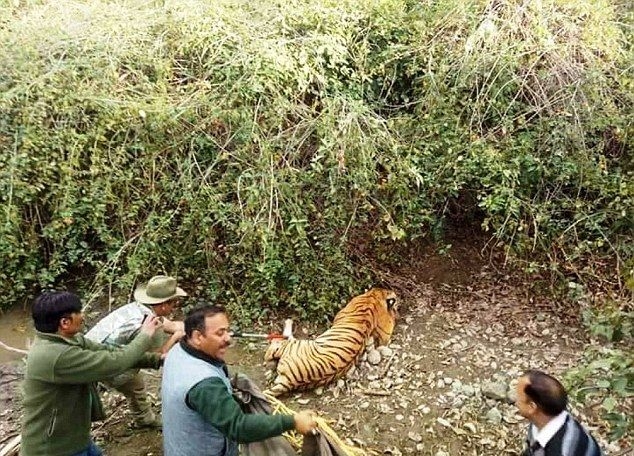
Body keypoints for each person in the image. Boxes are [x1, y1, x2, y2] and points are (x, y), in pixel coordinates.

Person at [161, 304, 318, 456]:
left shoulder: (177, 350)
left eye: (227, 331)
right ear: (197, 336)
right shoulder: (205, 385)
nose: (228, 339)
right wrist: (293, 421)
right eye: (220, 333)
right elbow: (238, 427)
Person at [21, 291, 163, 456]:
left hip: (75, 438)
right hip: (53, 449)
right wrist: (145, 336)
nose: (83, 316)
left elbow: (111, 352)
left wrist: (157, 360)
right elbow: (115, 364)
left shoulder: (70, 339)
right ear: (65, 322)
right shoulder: (56, 356)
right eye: (79, 313)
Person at [85, 275, 187, 429]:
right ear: (163, 305)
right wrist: (175, 337)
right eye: (173, 302)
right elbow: (158, 356)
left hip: (91, 351)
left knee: (135, 385)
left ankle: (143, 417)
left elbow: (171, 324)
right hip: (108, 365)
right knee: (135, 384)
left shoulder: (137, 307)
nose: (175, 307)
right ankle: (145, 419)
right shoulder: (152, 326)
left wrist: (184, 327)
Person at [515, 370, 602, 456]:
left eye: (519, 398)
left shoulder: (562, 450)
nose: (516, 402)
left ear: (532, 407)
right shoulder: (547, 416)